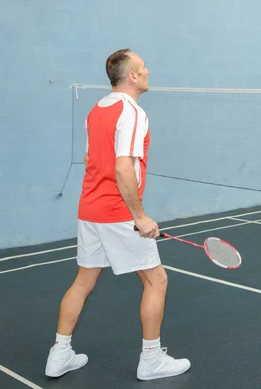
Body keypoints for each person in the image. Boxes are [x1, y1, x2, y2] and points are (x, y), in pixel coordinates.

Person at [44, 49, 191, 381]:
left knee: (84, 280)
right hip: (117, 212)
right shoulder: (133, 112)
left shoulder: (96, 110)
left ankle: (60, 354)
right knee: (157, 280)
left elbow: (88, 158)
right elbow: (122, 165)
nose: (149, 70)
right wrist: (139, 216)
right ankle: (151, 360)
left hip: (89, 208)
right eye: (143, 67)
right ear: (133, 77)